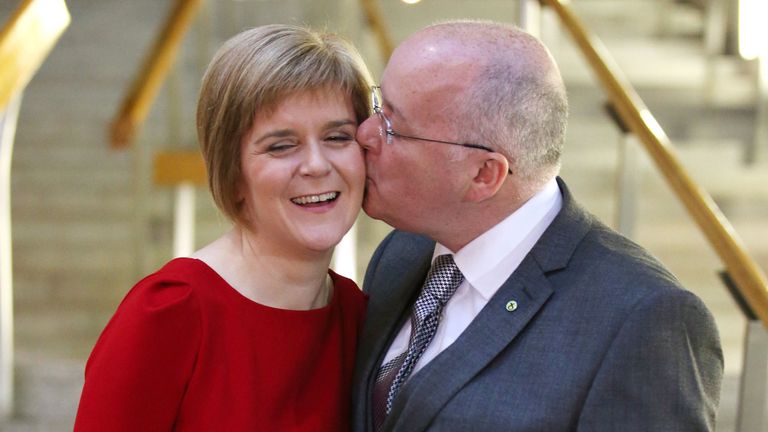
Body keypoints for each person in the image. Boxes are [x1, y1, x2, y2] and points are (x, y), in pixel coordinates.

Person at [351, 20, 723, 431]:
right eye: (376, 107)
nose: (363, 135)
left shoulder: (644, 321)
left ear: (483, 175)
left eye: (392, 127)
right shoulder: (401, 252)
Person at [75, 24, 372, 431]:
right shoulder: (169, 314)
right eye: (281, 145)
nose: (317, 165)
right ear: (232, 174)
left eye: (338, 136)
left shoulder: (357, 315)